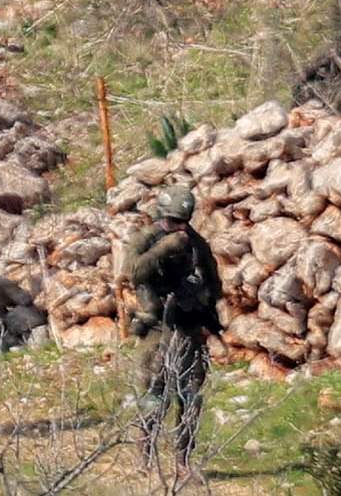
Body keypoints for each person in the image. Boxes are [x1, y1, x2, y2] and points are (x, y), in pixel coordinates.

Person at [125, 184, 223, 478]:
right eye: (172, 222)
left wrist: (201, 299)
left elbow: (214, 283)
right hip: (156, 328)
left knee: (191, 396)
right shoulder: (146, 238)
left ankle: (183, 461)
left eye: (183, 222)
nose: (178, 228)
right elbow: (132, 273)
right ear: (160, 217)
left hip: (189, 327)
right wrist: (162, 250)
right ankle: (143, 458)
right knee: (155, 395)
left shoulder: (196, 244)